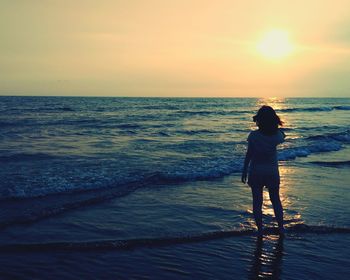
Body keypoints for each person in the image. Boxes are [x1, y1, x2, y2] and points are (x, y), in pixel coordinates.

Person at [241, 105, 285, 235]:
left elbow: (249, 154)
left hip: (256, 171)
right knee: (275, 200)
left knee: (257, 201)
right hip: (272, 171)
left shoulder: (254, 136)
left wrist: (244, 170)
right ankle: (281, 228)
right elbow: (283, 134)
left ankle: (260, 230)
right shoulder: (277, 136)